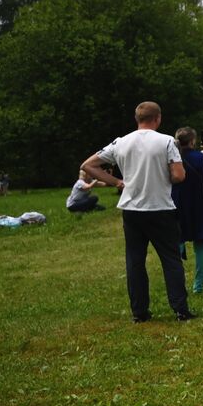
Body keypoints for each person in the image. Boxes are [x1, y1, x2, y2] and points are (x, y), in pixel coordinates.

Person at [80, 101, 193, 323]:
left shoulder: (121, 142)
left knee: (135, 261)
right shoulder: (167, 141)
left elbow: (89, 165)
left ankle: (140, 312)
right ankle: (180, 309)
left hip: (131, 209)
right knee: (170, 260)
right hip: (160, 207)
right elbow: (179, 176)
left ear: (137, 119)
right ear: (158, 118)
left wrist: (117, 182)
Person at [172, 128, 203, 295]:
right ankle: (198, 286)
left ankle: (177, 284)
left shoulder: (172, 158)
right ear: (192, 141)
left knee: (177, 243)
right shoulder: (202, 157)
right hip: (200, 204)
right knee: (200, 245)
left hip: (177, 203)